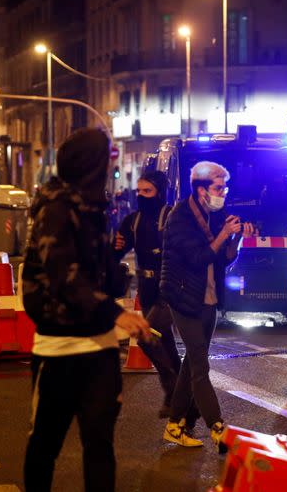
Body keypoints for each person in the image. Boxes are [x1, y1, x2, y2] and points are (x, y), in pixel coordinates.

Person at [21, 128, 151, 492]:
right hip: (59, 351)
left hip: (100, 350)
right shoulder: (57, 209)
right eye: (107, 154)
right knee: (45, 444)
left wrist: (115, 267)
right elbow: (64, 276)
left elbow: (95, 276)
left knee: (99, 444)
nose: (113, 160)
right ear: (90, 163)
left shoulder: (94, 209)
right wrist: (116, 313)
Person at [159, 161, 254, 450]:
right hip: (183, 296)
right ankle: (217, 425)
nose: (222, 192)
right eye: (217, 187)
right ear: (200, 189)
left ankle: (175, 425)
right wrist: (224, 235)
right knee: (200, 363)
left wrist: (236, 237)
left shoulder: (216, 215)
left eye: (224, 187)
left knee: (192, 363)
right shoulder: (180, 216)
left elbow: (222, 259)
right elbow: (198, 258)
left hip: (208, 298)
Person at [113, 170, 187, 420]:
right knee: (163, 343)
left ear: (159, 192)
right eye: (139, 191)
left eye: (148, 191)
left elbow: (181, 256)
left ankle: (172, 391)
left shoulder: (172, 218)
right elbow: (114, 255)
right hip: (145, 291)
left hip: (169, 290)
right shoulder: (132, 221)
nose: (142, 196)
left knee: (145, 336)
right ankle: (183, 398)